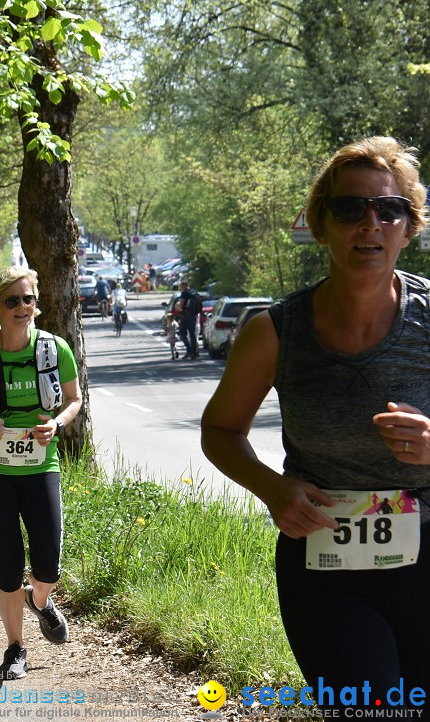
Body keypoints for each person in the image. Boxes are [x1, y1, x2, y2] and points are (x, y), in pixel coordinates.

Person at [201, 136, 430, 709]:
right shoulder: (276, 331)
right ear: (320, 224)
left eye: (389, 209)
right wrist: (272, 488)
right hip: (325, 561)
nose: (369, 223)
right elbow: (220, 430)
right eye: (349, 208)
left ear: (410, 226)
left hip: (429, 554)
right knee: (369, 711)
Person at [0, 267, 83, 680]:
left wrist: (58, 424)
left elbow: (74, 398)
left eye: (28, 299)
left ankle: (40, 602)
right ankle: (15, 648)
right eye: (12, 300)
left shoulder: (55, 348)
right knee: (9, 565)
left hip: (40, 465)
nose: (22, 308)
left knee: (47, 566)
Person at [175, 281, 200, 359]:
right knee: (192, 334)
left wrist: (178, 308)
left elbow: (181, 304)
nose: (181, 288)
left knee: (182, 333)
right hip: (193, 315)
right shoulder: (194, 292)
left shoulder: (184, 293)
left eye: (181, 286)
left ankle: (189, 350)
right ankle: (194, 352)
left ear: (185, 285)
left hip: (185, 315)